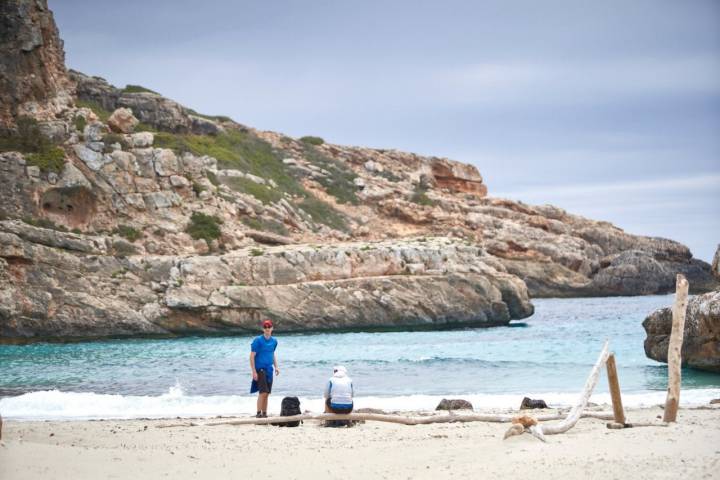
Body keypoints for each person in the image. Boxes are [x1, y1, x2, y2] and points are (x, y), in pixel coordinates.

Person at [250, 319, 279, 418]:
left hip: (269, 369)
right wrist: (254, 371)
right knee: (263, 392)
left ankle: (264, 413)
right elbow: (252, 356)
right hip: (260, 369)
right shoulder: (257, 340)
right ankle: (258, 413)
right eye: (265, 327)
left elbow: (272, 354)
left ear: (272, 328)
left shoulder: (274, 341)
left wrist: (276, 367)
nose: (267, 329)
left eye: (269, 327)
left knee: (267, 393)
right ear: (263, 329)